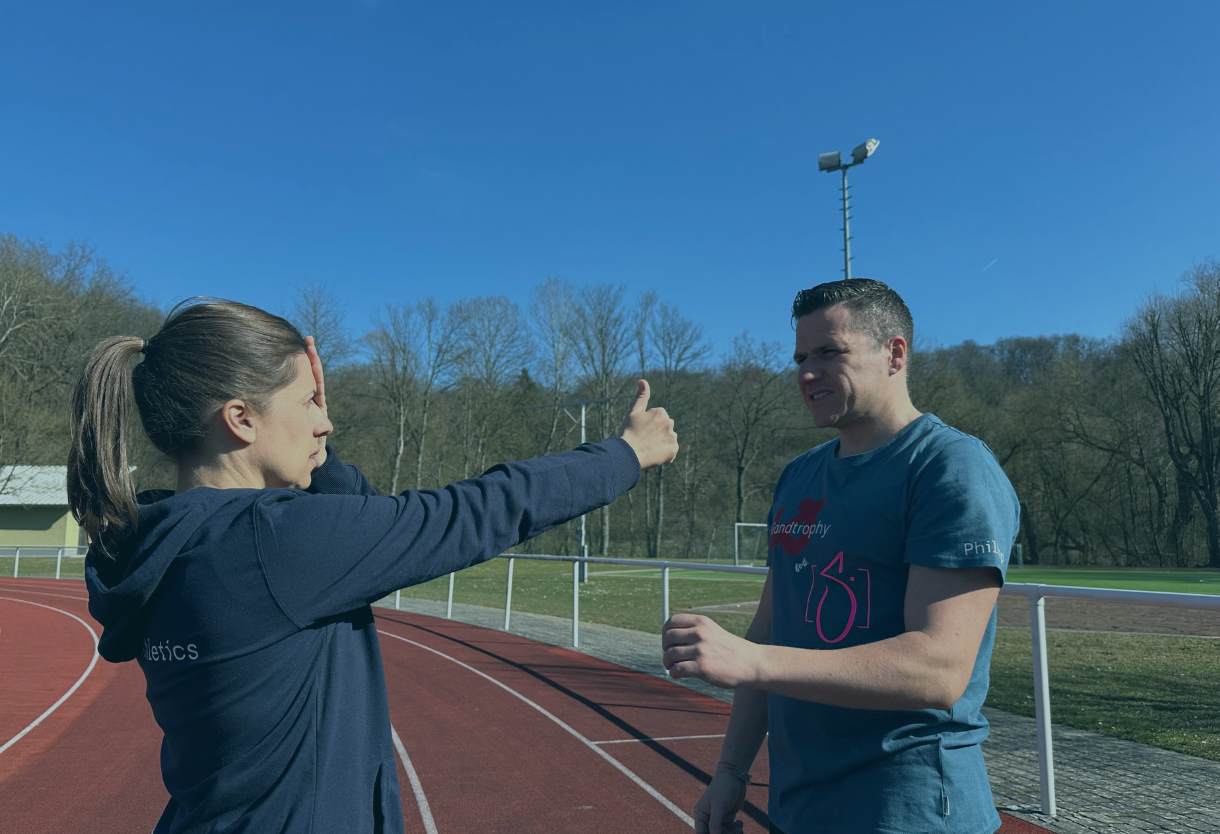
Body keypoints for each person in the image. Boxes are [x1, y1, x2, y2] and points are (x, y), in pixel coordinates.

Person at [68, 298, 678, 834]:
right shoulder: (271, 542)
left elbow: (353, 518)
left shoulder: (170, 542)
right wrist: (625, 454)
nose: (325, 420)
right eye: (307, 402)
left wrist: (313, 445)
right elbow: (472, 513)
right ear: (242, 418)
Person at [662, 279, 1019, 834]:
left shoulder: (949, 468)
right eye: (801, 358)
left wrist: (753, 661)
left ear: (894, 354)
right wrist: (731, 770)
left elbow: (939, 668)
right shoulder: (798, 476)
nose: (807, 373)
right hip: (797, 805)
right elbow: (771, 627)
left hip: (906, 810)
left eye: (830, 352)